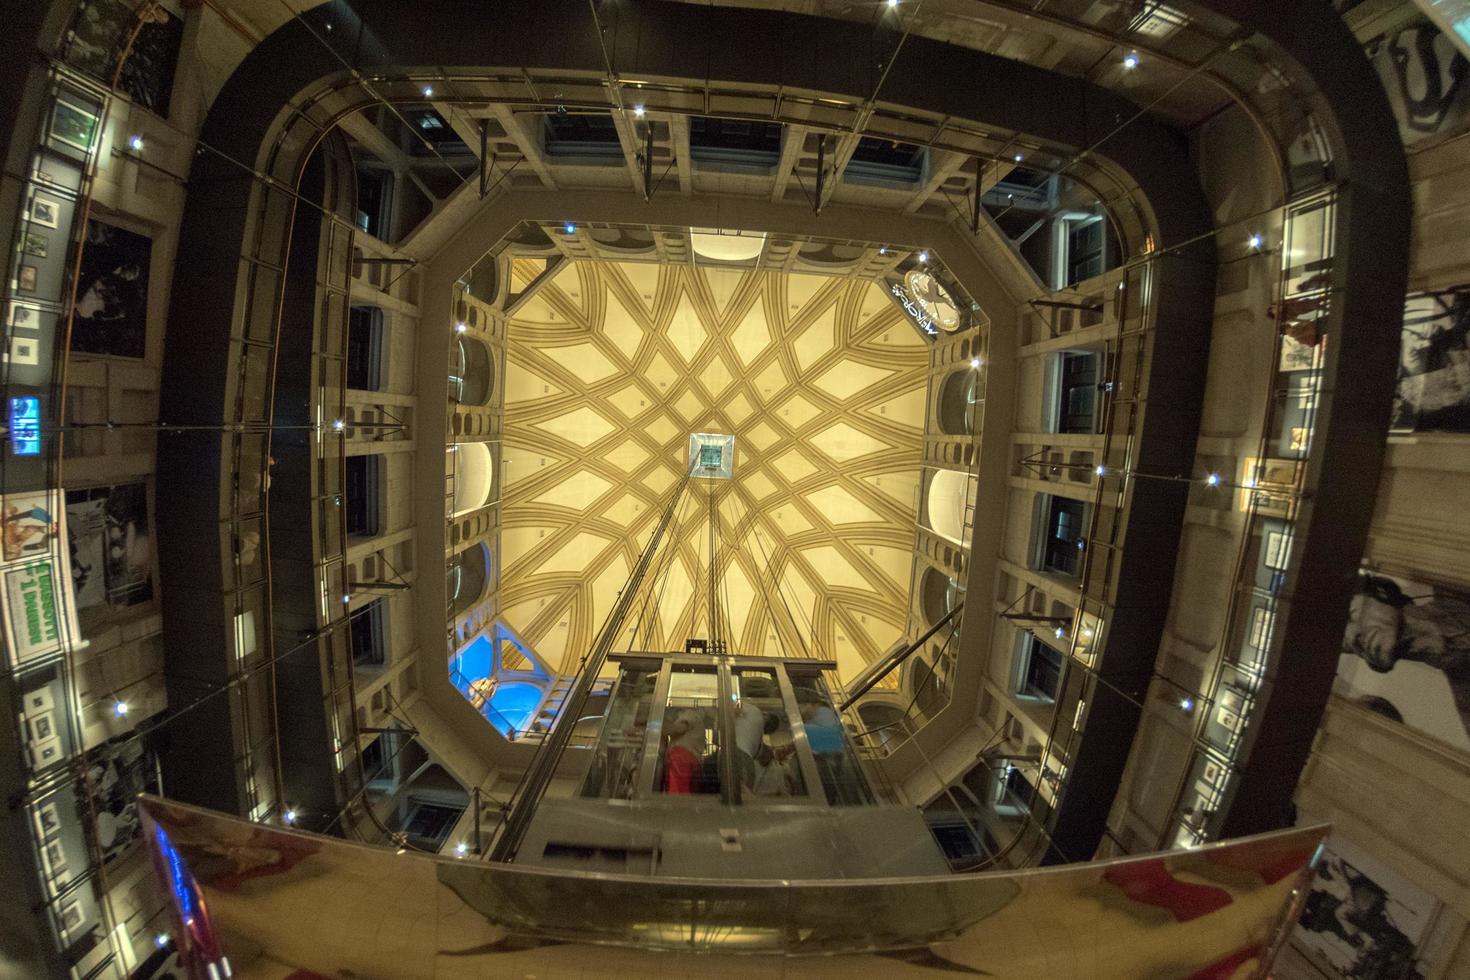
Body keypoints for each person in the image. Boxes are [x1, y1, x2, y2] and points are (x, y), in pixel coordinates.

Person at [1342, 572, 1470, 741]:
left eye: (1350, 615)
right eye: (1345, 644)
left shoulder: (1457, 576)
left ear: (1382, 592)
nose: (1352, 638)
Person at [663, 709, 706, 795]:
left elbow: (678, 729)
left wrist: (655, 727)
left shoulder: (690, 714)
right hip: (691, 760)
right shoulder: (698, 722)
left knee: (677, 794)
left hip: (682, 759)